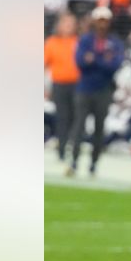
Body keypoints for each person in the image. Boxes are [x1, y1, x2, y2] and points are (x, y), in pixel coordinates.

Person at [68, 6, 125, 177]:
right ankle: (74, 161)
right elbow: (80, 62)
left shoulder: (114, 42)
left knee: (99, 128)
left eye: (104, 20)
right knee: (79, 126)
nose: (102, 24)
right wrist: (102, 60)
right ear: (94, 21)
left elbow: (114, 66)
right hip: (85, 89)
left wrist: (94, 59)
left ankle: (93, 163)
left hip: (103, 91)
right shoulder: (85, 40)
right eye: (99, 20)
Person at [44, 13, 79, 162]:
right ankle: (62, 149)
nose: (69, 26)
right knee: (62, 118)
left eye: (71, 23)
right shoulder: (52, 42)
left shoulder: (78, 42)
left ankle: (72, 147)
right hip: (59, 84)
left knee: (75, 118)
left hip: (77, 85)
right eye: (66, 23)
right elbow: (44, 64)